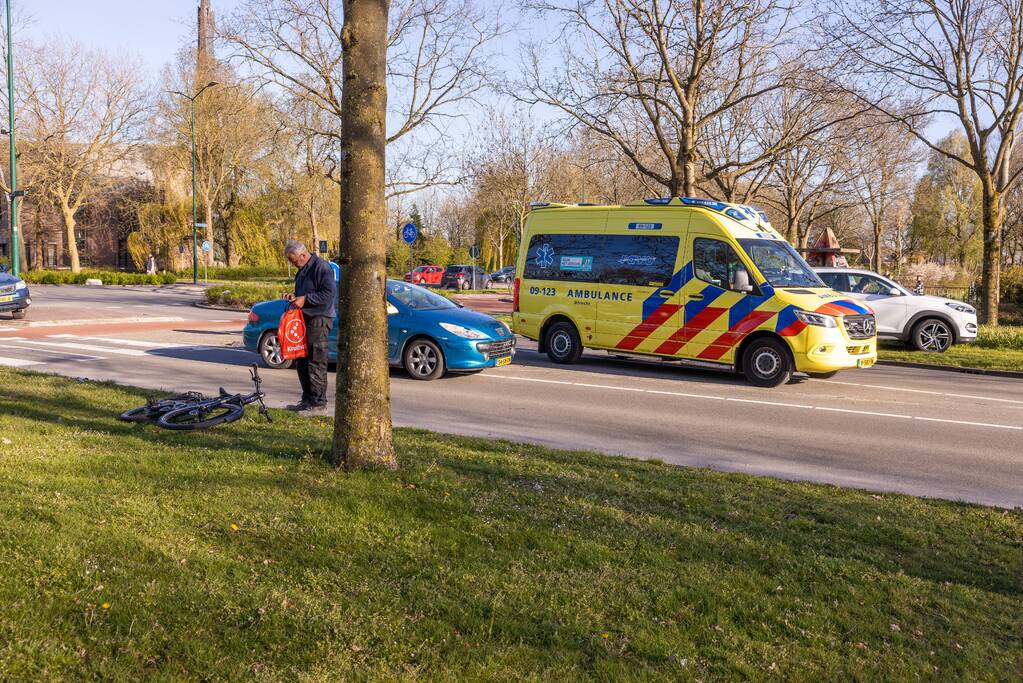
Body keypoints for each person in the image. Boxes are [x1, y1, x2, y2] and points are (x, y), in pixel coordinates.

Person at [283, 240, 337, 411]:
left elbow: (328, 294)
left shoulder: (322, 267)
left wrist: (305, 299)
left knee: (316, 361)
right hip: (304, 319)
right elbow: (303, 294)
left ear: (303, 255)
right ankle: (306, 400)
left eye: (294, 261)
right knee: (302, 361)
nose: (293, 264)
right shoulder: (302, 271)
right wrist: (294, 297)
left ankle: (319, 404)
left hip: (319, 319)